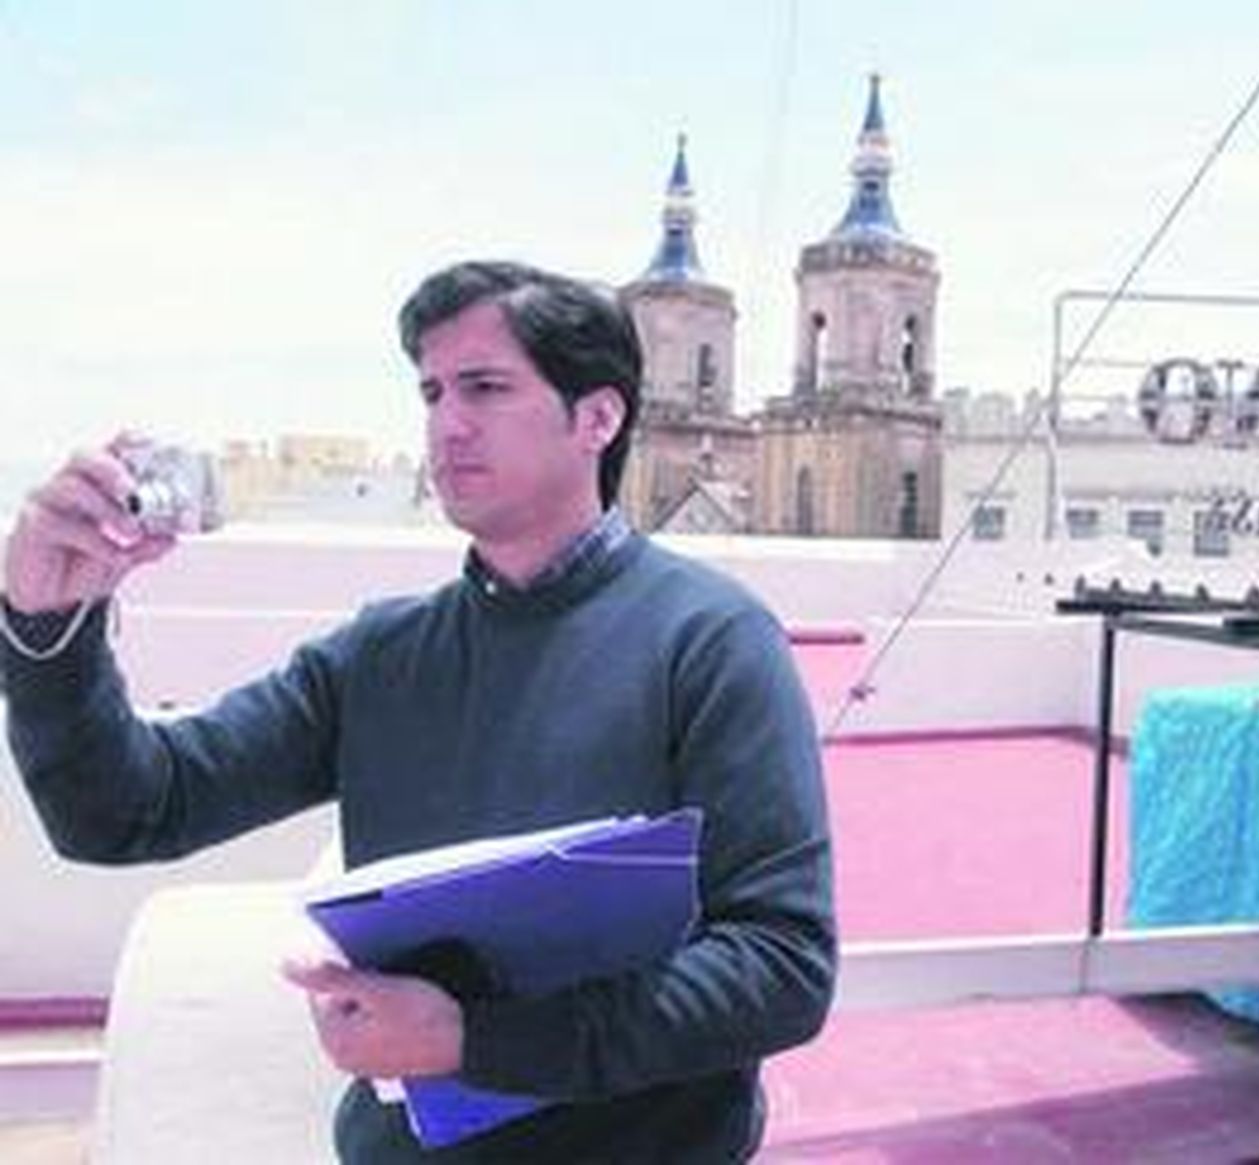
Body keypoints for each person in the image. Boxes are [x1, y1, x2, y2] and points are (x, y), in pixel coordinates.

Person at [1, 261, 837, 1162]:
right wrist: (48, 623)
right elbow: (125, 812)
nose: (447, 423)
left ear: (599, 416)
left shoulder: (713, 641)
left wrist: (473, 1042)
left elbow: (781, 966)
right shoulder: (380, 656)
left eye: (484, 387)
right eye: (432, 391)